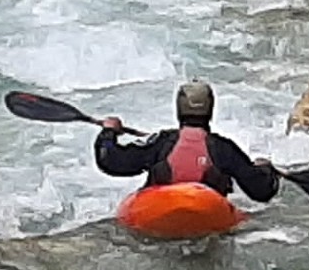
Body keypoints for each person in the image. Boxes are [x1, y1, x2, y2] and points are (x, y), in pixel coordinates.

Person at [95, 81, 280, 202]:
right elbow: (261, 191)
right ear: (211, 109)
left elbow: (110, 161)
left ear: (178, 109)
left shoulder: (161, 143)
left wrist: (108, 132)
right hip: (207, 217)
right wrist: (265, 171)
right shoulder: (224, 149)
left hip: (160, 211)